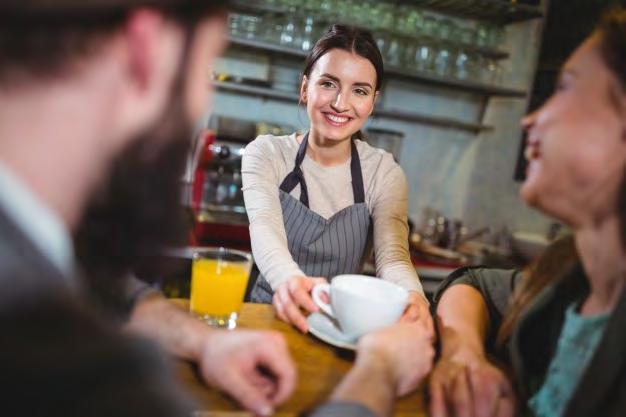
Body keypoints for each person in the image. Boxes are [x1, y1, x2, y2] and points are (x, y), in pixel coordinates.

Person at [0, 1, 295, 416]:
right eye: (208, 66)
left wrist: (207, 342)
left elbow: (116, 294)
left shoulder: (43, 249)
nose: (199, 102)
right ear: (148, 51)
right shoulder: (62, 364)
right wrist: (379, 370)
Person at [429, 7, 626, 417]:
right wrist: (463, 354)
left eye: (565, 88)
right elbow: (475, 284)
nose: (530, 120)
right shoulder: (567, 279)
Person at [242, 25, 431, 333]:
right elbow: (265, 230)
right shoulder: (266, 154)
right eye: (329, 84)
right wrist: (291, 283)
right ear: (305, 88)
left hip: (340, 327)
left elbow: (393, 258)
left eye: (359, 90)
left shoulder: (384, 172)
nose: (341, 104)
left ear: (373, 101)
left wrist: (414, 296)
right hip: (268, 316)